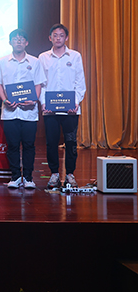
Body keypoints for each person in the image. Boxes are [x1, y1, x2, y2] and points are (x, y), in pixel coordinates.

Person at [0, 29, 47, 189]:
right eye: (15, 39)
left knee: (29, 145)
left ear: (26, 42)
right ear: (10, 42)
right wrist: (5, 100)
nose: (18, 41)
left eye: (22, 39)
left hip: (29, 112)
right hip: (10, 112)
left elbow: (38, 84)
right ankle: (16, 176)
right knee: (12, 145)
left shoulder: (35, 62)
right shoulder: (2, 62)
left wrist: (34, 100)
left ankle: (29, 177)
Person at [39, 23, 86, 189]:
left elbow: (80, 81)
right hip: (50, 109)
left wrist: (76, 102)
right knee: (51, 142)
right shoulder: (43, 57)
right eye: (55, 35)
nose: (58, 38)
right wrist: (43, 103)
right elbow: (41, 83)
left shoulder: (75, 56)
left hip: (70, 110)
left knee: (71, 142)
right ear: (50, 38)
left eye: (61, 35)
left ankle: (70, 174)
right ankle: (54, 174)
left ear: (66, 38)